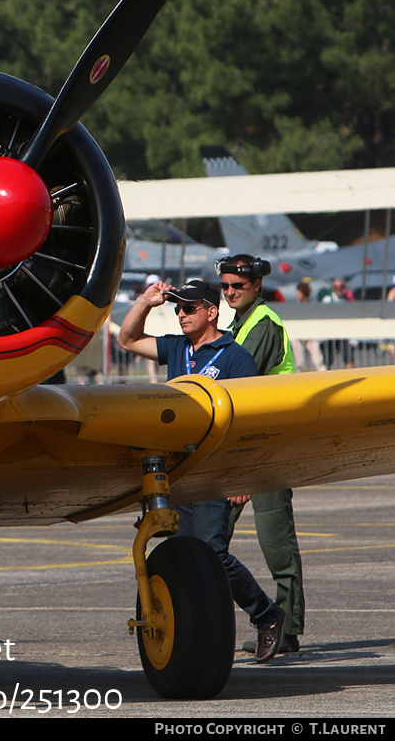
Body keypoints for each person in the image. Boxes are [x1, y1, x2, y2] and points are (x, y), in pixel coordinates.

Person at [118, 278, 286, 663]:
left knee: (211, 552)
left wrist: (242, 474)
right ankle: (194, 634)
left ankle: (266, 615)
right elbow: (127, 340)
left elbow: (250, 418)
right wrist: (146, 300)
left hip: (217, 470)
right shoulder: (177, 347)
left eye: (189, 308)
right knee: (184, 555)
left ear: (212, 312)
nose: (180, 314)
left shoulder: (234, 356)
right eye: (177, 308)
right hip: (180, 470)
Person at [217, 255, 305, 655]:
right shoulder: (240, 323)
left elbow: (241, 388)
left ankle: (287, 630)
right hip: (243, 448)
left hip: (267, 449)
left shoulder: (263, 324)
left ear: (256, 286)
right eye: (226, 286)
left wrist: (243, 472)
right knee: (209, 541)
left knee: (277, 546)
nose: (231, 291)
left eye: (238, 285)